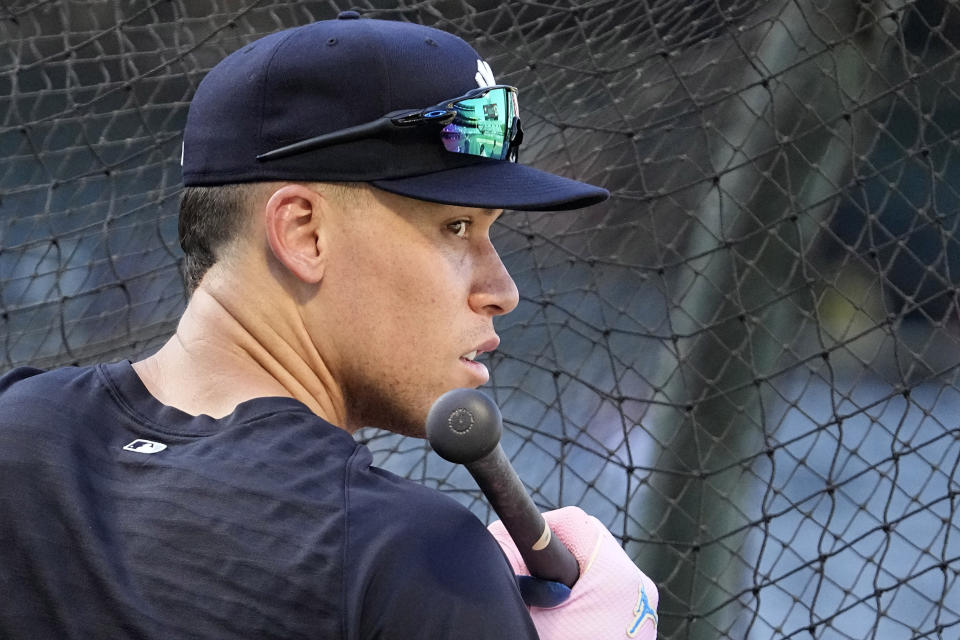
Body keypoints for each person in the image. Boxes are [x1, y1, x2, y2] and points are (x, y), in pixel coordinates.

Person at [0, 12, 658, 640]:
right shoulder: (408, 557)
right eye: (456, 227)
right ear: (303, 232)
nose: (502, 291)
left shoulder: (18, 424)